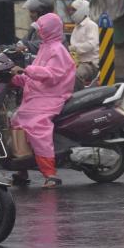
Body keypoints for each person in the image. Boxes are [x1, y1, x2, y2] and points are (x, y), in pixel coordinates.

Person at [10, 13, 76, 188]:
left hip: (51, 96)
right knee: (15, 120)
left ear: (50, 30)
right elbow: (34, 76)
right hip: (37, 95)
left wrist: (27, 70)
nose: (39, 32)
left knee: (36, 126)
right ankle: (21, 169)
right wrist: (14, 78)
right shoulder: (45, 47)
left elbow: (51, 75)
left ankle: (50, 173)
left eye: (41, 29)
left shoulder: (58, 50)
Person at [69, 0, 99, 84]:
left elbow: (91, 44)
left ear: (81, 10)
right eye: (70, 10)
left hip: (89, 64)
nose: (70, 12)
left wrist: (73, 48)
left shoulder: (91, 25)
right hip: (77, 61)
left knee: (75, 76)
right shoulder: (77, 26)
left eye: (73, 10)